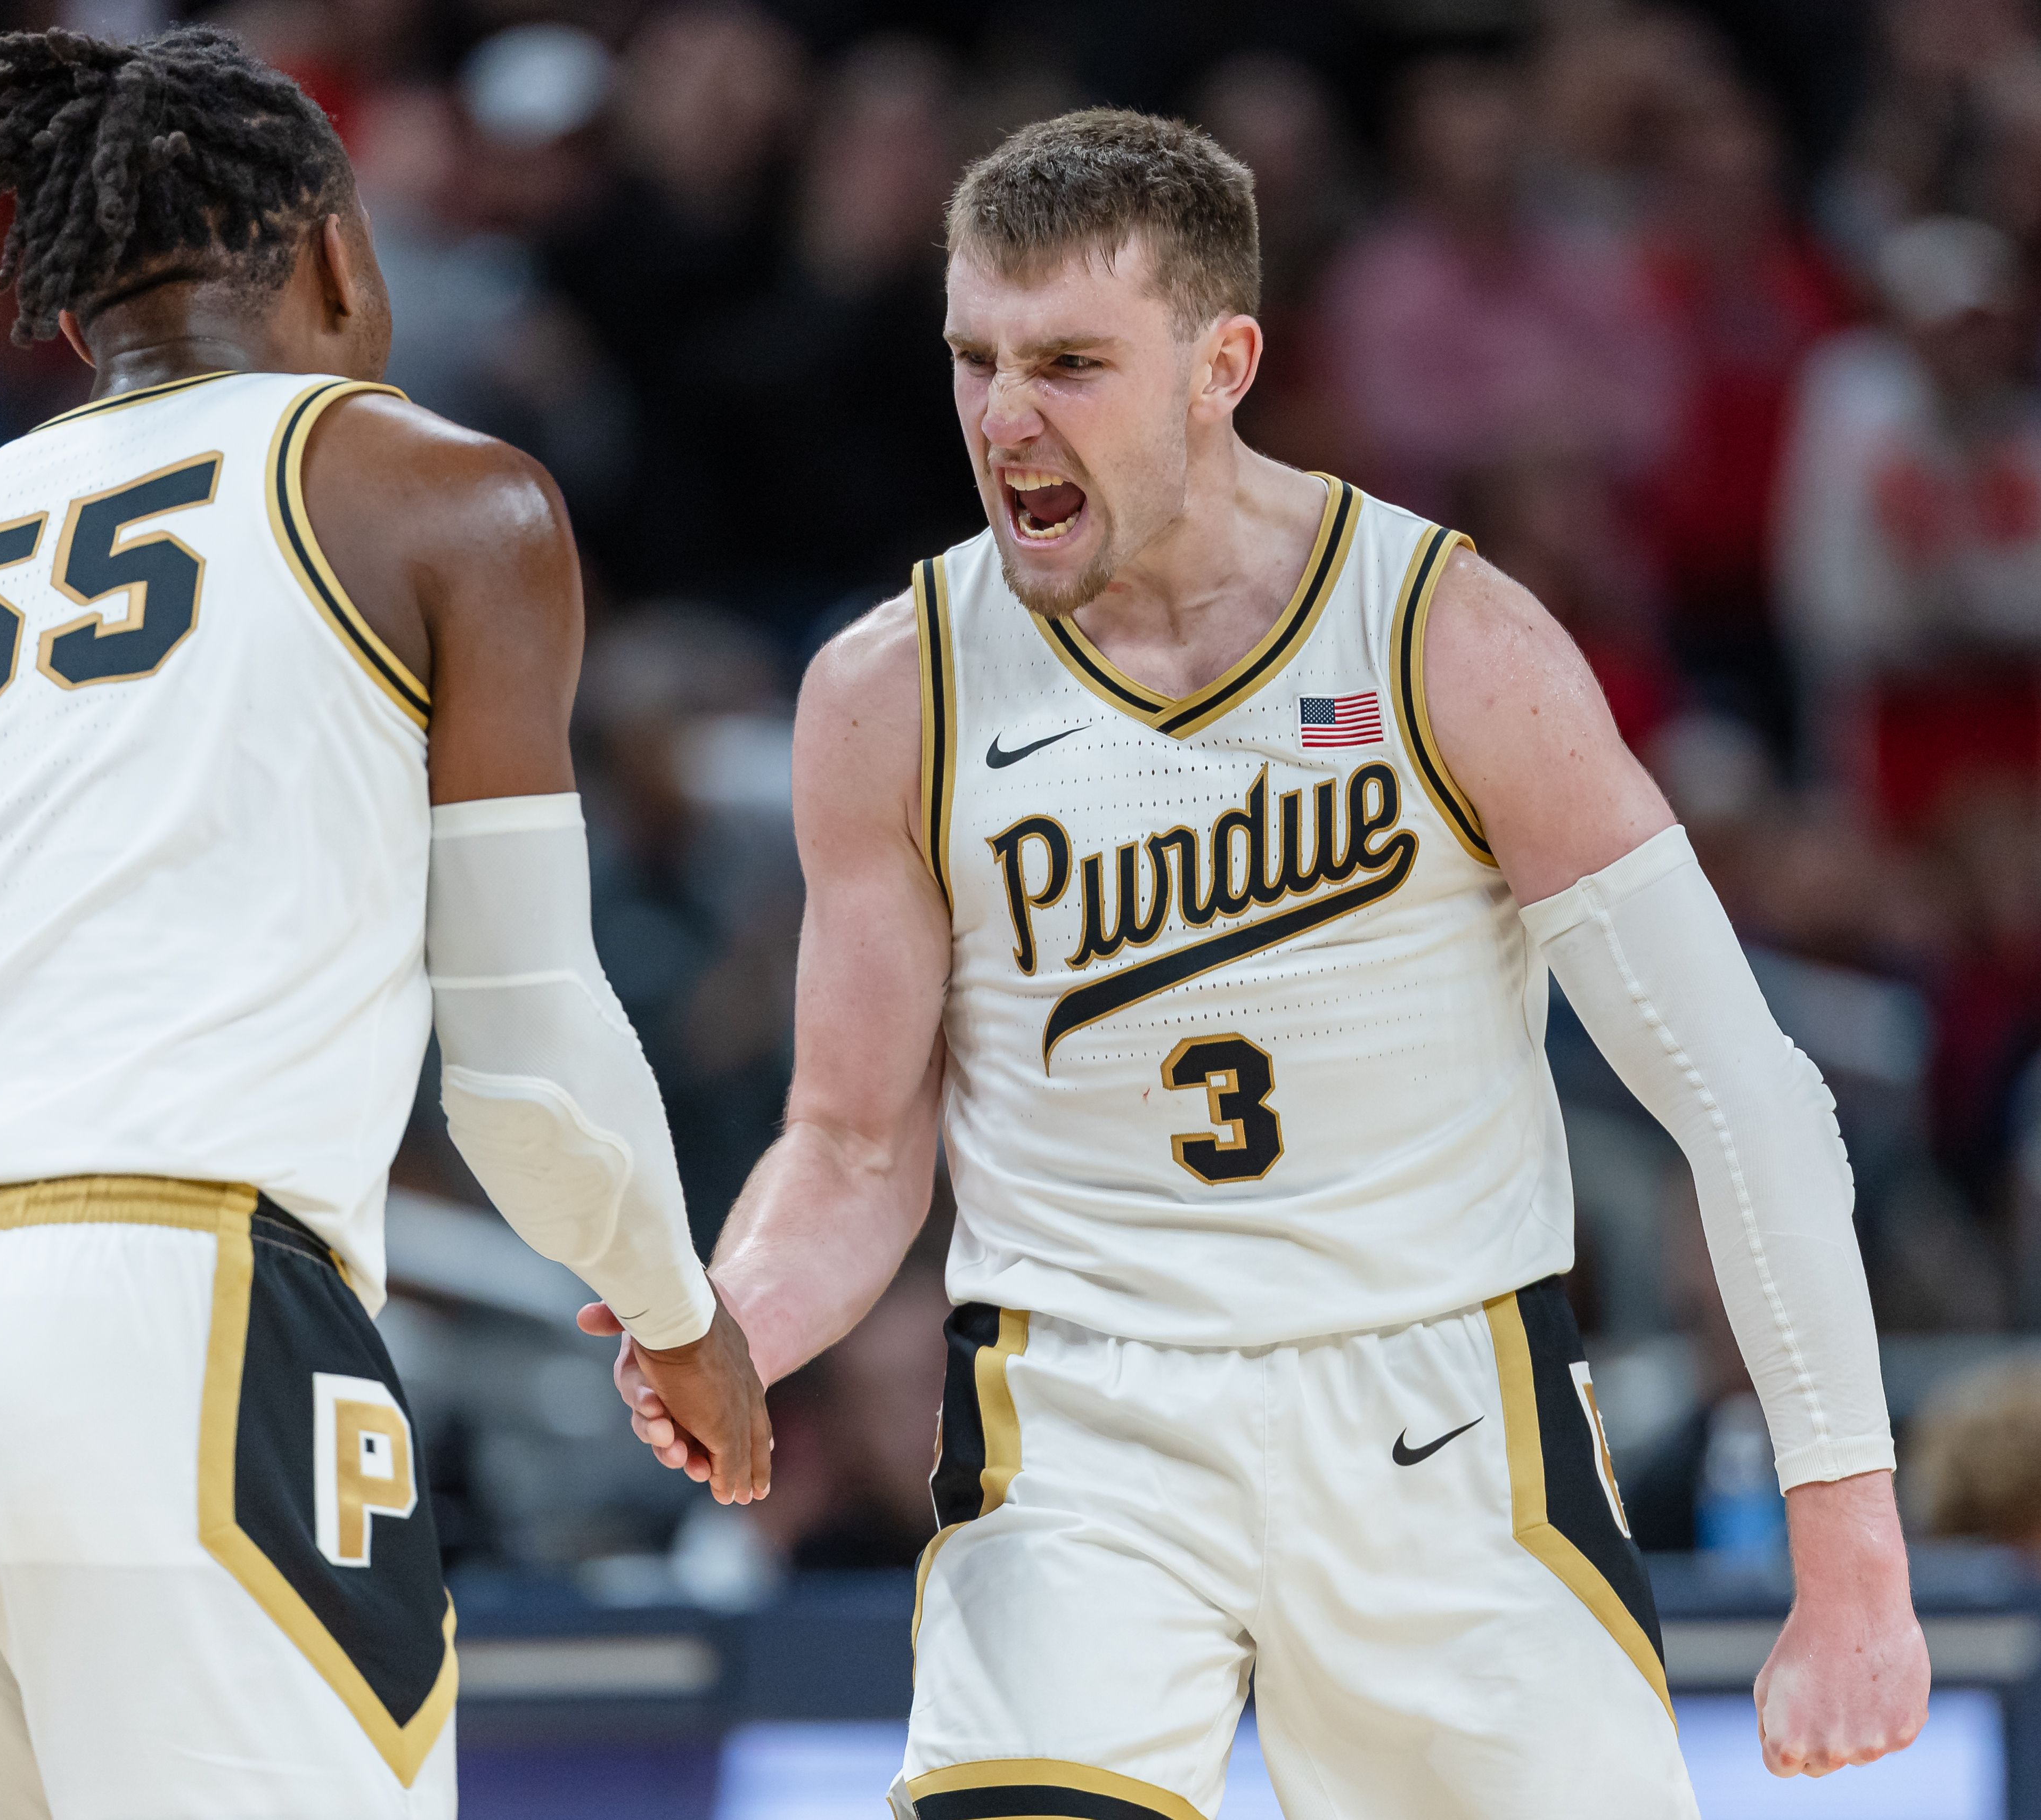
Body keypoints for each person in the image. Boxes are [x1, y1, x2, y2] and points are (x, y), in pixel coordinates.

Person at [593, 109, 1926, 1816]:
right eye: (973, 358)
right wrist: (734, 1313)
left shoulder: (1447, 638)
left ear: (1220, 361)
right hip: (1079, 1424)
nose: (1004, 417)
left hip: (1435, 1413)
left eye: (1068, 361)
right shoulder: (888, 688)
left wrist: (1849, 1549)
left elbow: (1741, 1092)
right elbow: (852, 1144)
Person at [0, 26, 765, 1820]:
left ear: (71, 307)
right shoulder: (435, 493)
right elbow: (529, 1070)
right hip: (164, 1306)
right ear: (341, 254)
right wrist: (681, 1316)